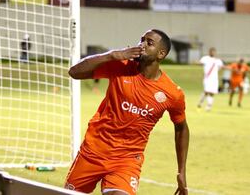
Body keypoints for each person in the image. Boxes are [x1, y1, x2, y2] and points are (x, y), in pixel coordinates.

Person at [65, 29, 189, 195]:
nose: (141, 44)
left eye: (149, 42)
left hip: (126, 160)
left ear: (161, 54)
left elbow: (181, 128)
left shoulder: (172, 93)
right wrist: (112, 55)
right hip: (93, 152)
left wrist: (181, 171)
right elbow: (74, 72)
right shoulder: (120, 66)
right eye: (141, 40)